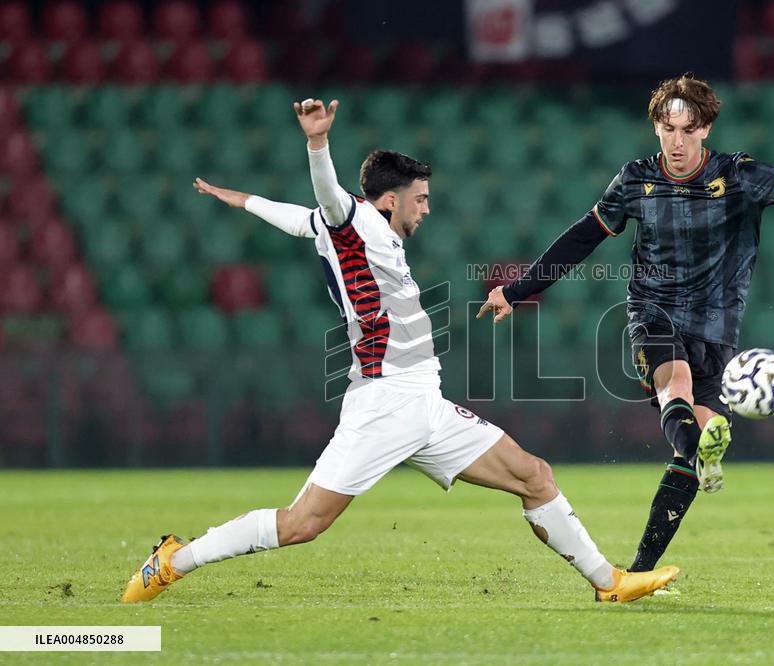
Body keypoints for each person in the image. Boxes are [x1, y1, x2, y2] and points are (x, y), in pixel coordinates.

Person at [121, 98, 679, 605]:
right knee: (302, 524)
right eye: (422, 199)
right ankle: (175, 558)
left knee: (534, 474)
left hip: (423, 404)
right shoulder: (354, 219)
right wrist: (318, 143)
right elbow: (324, 197)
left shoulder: (353, 229)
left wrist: (241, 199)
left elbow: (293, 216)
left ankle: (609, 582)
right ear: (390, 200)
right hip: (385, 404)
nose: (428, 209)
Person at [478, 73, 774, 573]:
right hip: (654, 312)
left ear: (706, 129)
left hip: (717, 328)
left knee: (692, 452)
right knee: (679, 385)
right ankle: (700, 448)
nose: (676, 141)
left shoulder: (735, 174)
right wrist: (517, 292)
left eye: (687, 130)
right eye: (667, 129)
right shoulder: (635, 179)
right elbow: (582, 238)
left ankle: (643, 569)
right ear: (655, 128)